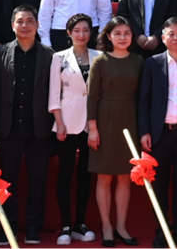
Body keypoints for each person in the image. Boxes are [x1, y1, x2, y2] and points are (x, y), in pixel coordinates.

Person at [137, 18, 177, 249]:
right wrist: (144, 131)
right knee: (160, 184)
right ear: (163, 38)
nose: (175, 38)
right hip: (159, 134)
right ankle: (162, 230)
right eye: (171, 34)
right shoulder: (152, 63)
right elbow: (144, 100)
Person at [0, 5, 55, 246]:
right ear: (12, 25)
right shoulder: (0, 53)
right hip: (8, 127)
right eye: (20, 21)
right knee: (7, 180)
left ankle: (33, 227)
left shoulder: (49, 55)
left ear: (38, 25)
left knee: (37, 179)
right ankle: (7, 228)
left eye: (30, 21)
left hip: (38, 127)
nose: (25, 25)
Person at [86, 17, 144, 247]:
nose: (122, 37)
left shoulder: (139, 61)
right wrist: (92, 128)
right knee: (104, 176)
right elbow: (92, 96)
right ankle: (106, 227)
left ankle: (121, 226)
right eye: (117, 33)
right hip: (105, 120)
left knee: (125, 176)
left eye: (126, 33)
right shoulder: (100, 61)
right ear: (108, 36)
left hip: (130, 118)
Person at [48, 14, 102, 244]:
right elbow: (54, 94)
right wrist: (59, 122)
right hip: (67, 123)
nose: (82, 34)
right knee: (65, 174)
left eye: (86, 30)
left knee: (85, 175)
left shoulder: (99, 56)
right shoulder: (59, 57)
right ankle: (65, 225)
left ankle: (80, 223)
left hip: (92, 124)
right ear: (68, 33)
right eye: (77, 30)